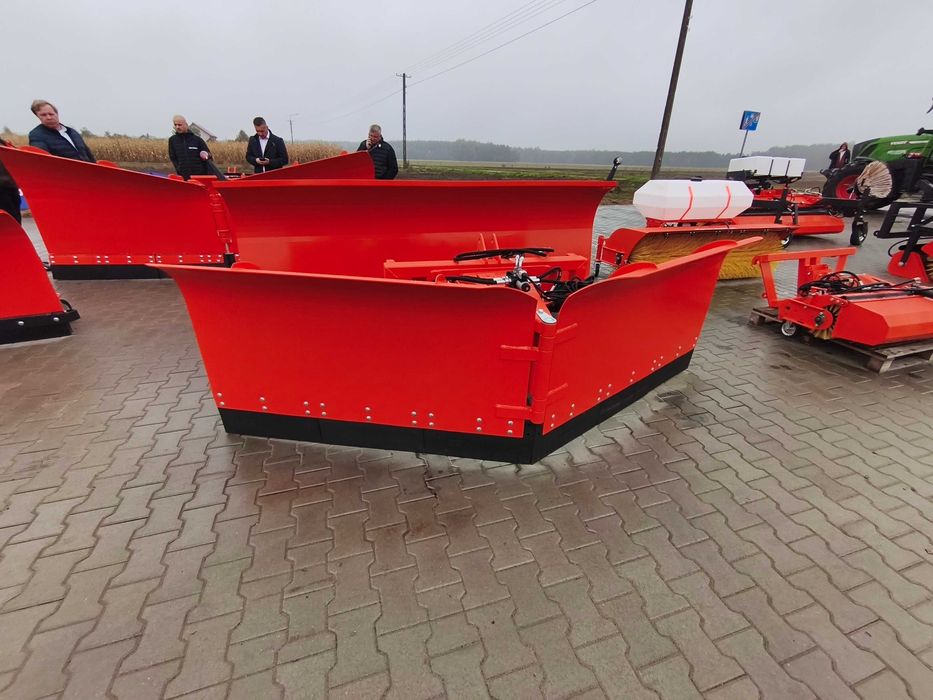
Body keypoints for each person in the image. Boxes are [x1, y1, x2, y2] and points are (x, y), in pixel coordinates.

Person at [28, 100, 96, 162]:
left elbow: (89, 155)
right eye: (43, 115)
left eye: (51, 114)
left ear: (57, 114)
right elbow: (42, 160)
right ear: (38, 116)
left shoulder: (73, 132)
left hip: (86, 170)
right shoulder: (37, 135)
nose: (48, 117)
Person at [168, 115, 214, 179]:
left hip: (199, 176)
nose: (177, 127)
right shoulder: (172, 140)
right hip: (184, 176)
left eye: (180, 125)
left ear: (186, 125)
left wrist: (208, 175)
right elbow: (173, 158)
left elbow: (209, 156)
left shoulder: (197, 140)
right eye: (175, 125)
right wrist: (179, 169)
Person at [0, 136, 22, 223]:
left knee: (15, 220)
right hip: (3, 188)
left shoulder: (4, 143)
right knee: (10, 220)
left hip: (11, 186)